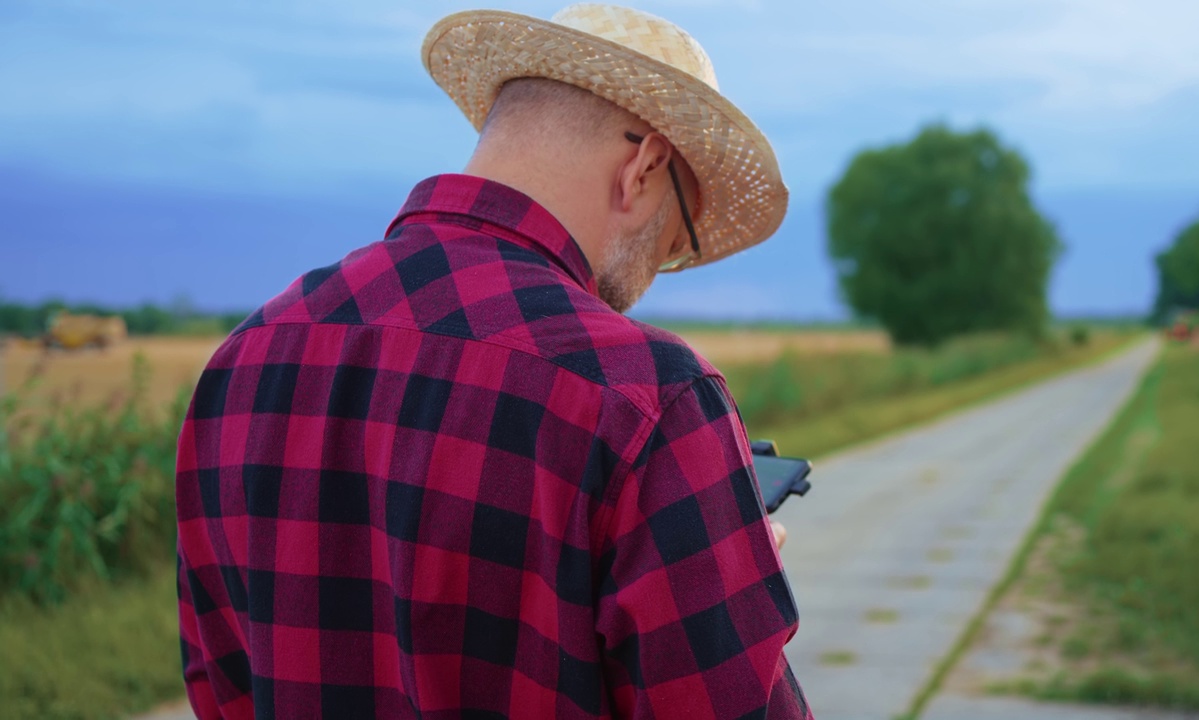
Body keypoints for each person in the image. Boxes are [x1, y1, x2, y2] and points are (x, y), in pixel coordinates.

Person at [175, 4, 809, 718]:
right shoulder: (648, 395)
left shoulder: (244, 360)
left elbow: (220, 686)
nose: (663, 266)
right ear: (644, 167)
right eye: (681, 234)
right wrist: (726, 598)